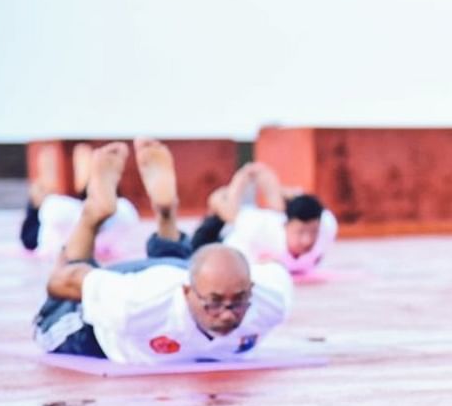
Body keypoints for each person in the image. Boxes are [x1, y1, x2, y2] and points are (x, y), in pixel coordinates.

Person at [33, 138, 292, 364]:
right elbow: (61, 281)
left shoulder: (272, 301)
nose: (227, 314)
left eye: (237, 302)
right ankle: (92, 214)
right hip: (113, 322)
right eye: (214, 303)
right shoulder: (132, 303)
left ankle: (167, 212)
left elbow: (265, 274)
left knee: (196, 270)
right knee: (48, 324)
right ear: (187, 292)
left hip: (175, 270)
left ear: (252, 290)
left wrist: (217, 299)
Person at [188, 162, 337, 275]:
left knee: (287, 199)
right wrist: (240, 182)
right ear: (285, 225)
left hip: (260, 223)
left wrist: (276, 189)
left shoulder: (327, 224)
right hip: (217, 245)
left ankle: (268, 181)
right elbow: (224, 207)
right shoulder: (261, 227)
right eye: (300, 232)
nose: (307, 240)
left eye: (313, 232)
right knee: (220, 203)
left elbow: (303, 201)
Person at [20, 142, 141, 259]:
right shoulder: (125, 211)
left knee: (48, 211)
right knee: (117, 215)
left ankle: (46, 189)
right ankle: (89, 187)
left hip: (54, 232)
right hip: (109, 229)